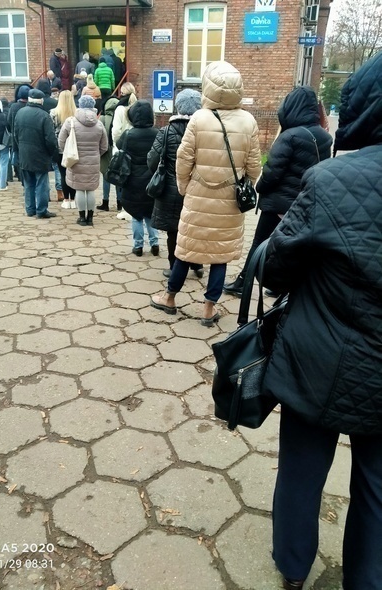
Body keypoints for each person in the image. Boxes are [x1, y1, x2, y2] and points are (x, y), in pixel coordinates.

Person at [260, 52, 382, 590]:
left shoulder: (332, 179)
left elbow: (277, 269)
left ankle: (292, 568)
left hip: (320, 359)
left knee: (302, 473)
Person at [151, 61, 261, 326]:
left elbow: (183, 159)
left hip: (198, 195)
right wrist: (242, 184)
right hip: (229, 201)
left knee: (186, 250)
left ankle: (170, 297)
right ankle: (209, 308)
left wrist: (184, 187)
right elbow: (255, 167)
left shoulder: (199, 118)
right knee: (219, 256)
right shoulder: (248, 121)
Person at [223, 85, 333, 297]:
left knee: (259, 243)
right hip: (303, 203)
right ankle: (281, 287)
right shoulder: (324, 137)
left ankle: (242, 283)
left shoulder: (289, 136)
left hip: (278, 204)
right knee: (289, 246)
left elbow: (272, 173)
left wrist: (260, 187)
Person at [148, 88, 203, 279]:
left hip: (171, 189)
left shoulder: (166, 132)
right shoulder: (205, 132)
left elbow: (152, 160)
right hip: (197, 190)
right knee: (195, 229)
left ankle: (174, 267)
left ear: (178, 106)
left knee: (173, 230)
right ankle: (197, 264)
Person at [116, 99, 159, 255]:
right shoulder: (158, 133)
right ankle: (155, 244)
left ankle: (138, 246)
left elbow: (120, 146)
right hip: (152, 181)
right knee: (150, 214)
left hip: (132, 181)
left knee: (136, 215)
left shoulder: (128, 135)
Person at [58, 94, 108, 227]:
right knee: (90, 189)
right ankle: (90, 218)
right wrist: (96, 154)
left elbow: (61, 141)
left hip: (76, 161)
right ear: (93, 106)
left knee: (79, 189)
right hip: (93, 161)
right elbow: (104, 146)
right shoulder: (99, 124)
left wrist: (67, 151)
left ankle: (81, 218)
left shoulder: (70, 122)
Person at [13, 88, 58, 219]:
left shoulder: (20, 113)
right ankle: (41, 210)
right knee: (41, 184)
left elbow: (15, 134)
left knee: (28, 184)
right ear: (41, 101)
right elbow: (50, 139)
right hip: (40, 155)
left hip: (24, 154)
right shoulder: (44, 116)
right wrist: (51, 153)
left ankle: (30, 209)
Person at [108, 82, 137, 217]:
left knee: (120, 178)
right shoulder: (136, 106)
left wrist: (117, 144)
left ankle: (123, 206)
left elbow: (116, 130)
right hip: (135, 147)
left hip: (121, 147)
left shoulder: (120, 109)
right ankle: (131, 207)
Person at [50, 90, 77, 210]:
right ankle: (74, 199)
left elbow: (51, 132)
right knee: (74, 173)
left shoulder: (53, 113)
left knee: (63, 174)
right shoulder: (77, 114)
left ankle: (66, 199)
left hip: (60, 149)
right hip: (74, 148)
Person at [98, 96, 121, 212]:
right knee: (118, 176)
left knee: (106, 176)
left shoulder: (102, 118)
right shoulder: (121, 116)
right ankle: (119, 203)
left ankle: (105, 202)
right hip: (117, 150)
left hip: (105, 150)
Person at [8, 84, 32, 182]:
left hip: (16, 139)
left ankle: (20, 177)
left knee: (18, 159)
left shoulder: (14, 107)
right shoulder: (30, 107)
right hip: (29, 139)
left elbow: (9, 121)